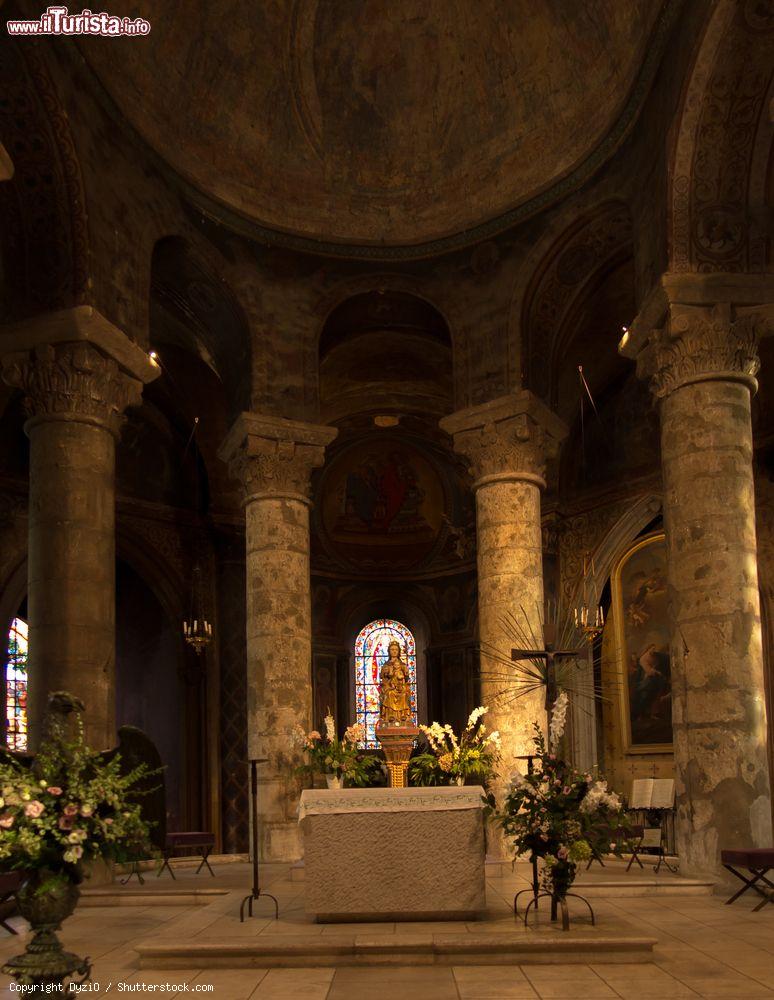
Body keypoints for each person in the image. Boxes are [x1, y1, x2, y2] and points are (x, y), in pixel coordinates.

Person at [378, 640, 412, 726]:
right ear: (389, 651)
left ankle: (403, 716)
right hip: (389, 686)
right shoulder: (386, 665)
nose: (394, 651)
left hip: (401, 687)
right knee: (389, 694)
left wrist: (405, 673)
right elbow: (382, 677)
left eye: (396, 649)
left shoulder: (403, 665)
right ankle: (390, 716)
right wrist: (386, 673)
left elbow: (407, 679)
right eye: (392, 649)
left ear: (399, 651)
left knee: (404, 694)